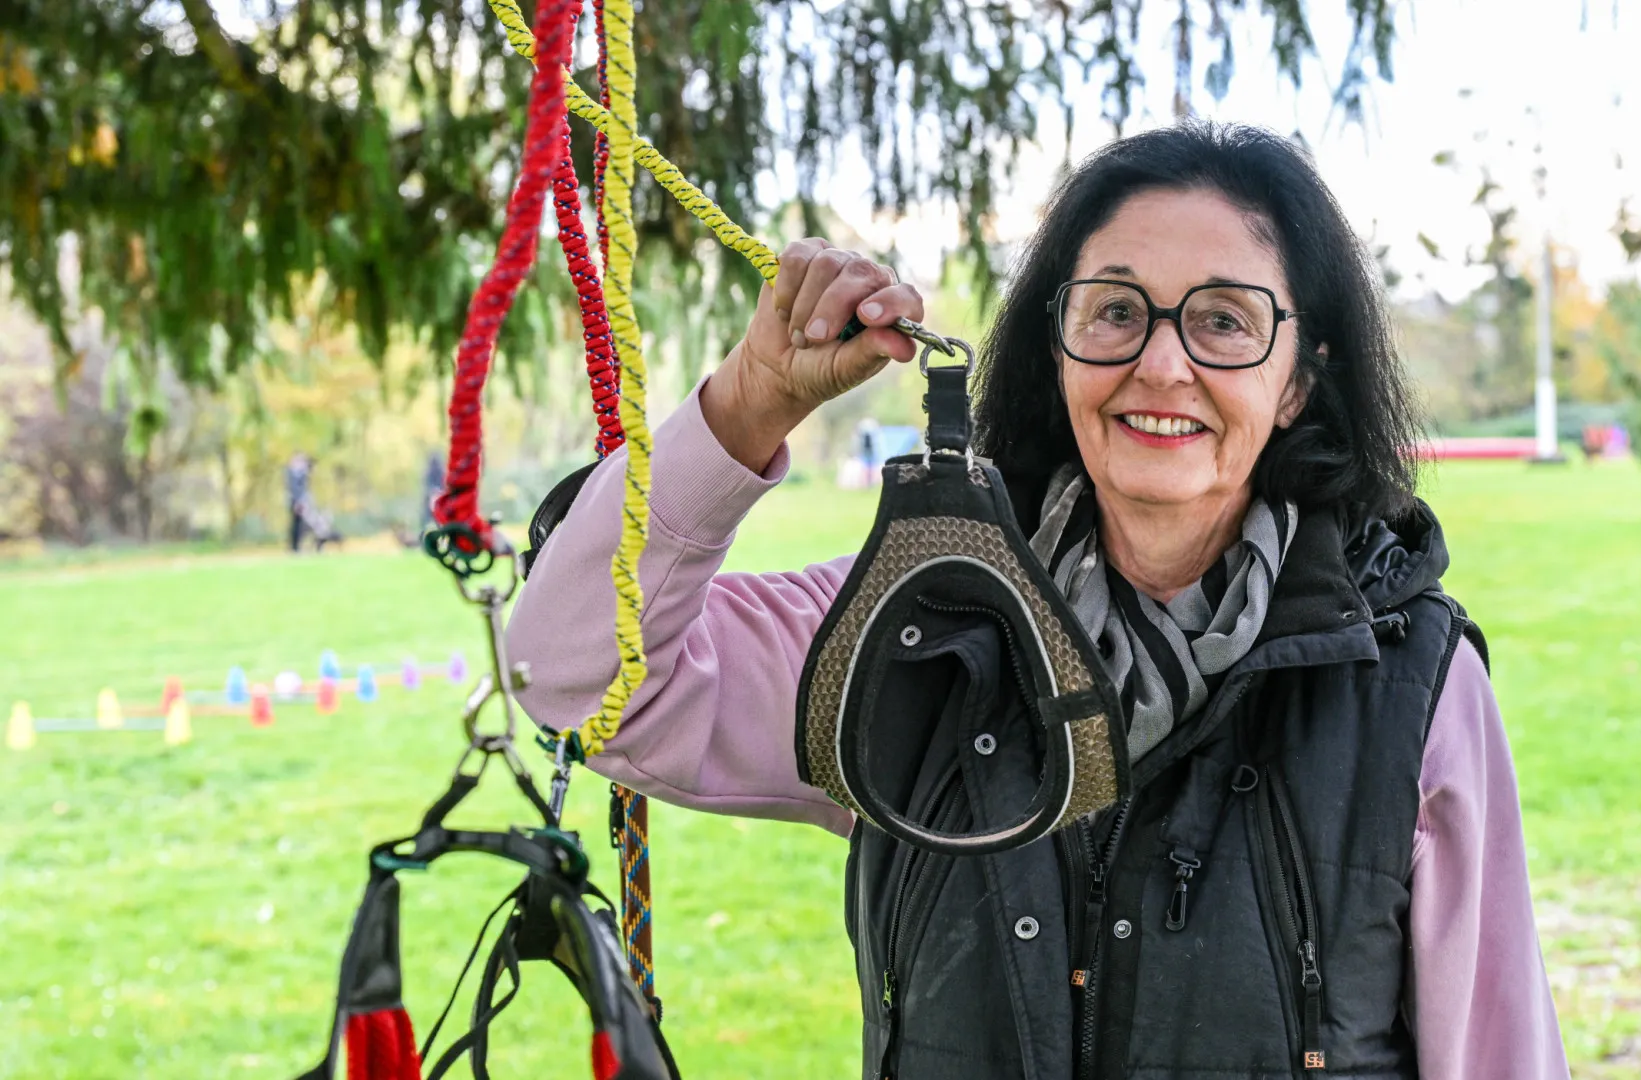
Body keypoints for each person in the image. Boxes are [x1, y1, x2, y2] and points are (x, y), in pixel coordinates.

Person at [509, 122, 1568, 1079]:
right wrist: (749, 400)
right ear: (1056, 346)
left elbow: (1499, 1054)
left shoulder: (1409, 681)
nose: (1162, 363)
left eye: (1225, 321)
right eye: (1115, 311)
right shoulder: (910, 623)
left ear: (1297, 380)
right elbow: (576, 680)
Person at [285, 451, 313, 553]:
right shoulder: (292, 474)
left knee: (300, 524)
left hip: (300, 501)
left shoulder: (301, 474)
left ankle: (297, 546)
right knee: (296, 524)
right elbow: (294, 489)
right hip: (295, 501)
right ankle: (294, 546)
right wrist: (297, 502)